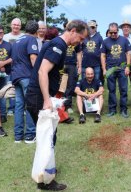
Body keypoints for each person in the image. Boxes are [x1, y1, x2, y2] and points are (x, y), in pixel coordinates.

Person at [26, 19, 88, 191]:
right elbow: (42, 71)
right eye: (81, 38)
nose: (80, 43)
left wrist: (56, 96)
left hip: (41, 96)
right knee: (47, 139)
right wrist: (47, 100)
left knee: (49, 137)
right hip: (38, 97)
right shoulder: (59, 45)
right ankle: (46, 180)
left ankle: (44, 171)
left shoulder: (60, 45)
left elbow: (54, 73)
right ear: (73, 30)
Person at [11, 20, 38, 143]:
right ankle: (29, 135)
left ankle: (18, 136)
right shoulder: (31, 39)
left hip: (15, 76)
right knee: (31, 106)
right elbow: (33, 58)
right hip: (26, 76)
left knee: (19, 106)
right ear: (36, 31)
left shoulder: (16, 41)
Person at [101, 22, 131, 118]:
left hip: (122, 69)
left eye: (115, 32)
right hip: (110, 69)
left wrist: (127, 66)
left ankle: (123, 110)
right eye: (111, 33)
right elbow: (103, 55)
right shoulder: (105, 41)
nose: (113, 34)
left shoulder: (124, 40)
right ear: (109, 32)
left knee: (123, 90)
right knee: (111, 90)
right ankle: (112, 109)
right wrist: (104, 69)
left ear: (118, 30)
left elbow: (128, 53)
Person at [3, 18, 24, 118]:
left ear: (20, 26)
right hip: (7, 66)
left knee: (20, 88)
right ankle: (11, 109)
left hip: (20, 67)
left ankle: (20, 108)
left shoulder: (23, 36)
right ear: (11, 25)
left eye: (18, 25)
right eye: (14, 24)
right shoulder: (6, 37)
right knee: (10, 87)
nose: (16, 26)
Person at [119, 20, 131, 107]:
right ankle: (123, 102)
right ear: (122, 28)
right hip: (122, 62)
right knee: (123, 83)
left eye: (127, 27)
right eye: (124, 27)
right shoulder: (119, 38)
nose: (126, 28)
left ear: (130, 28)